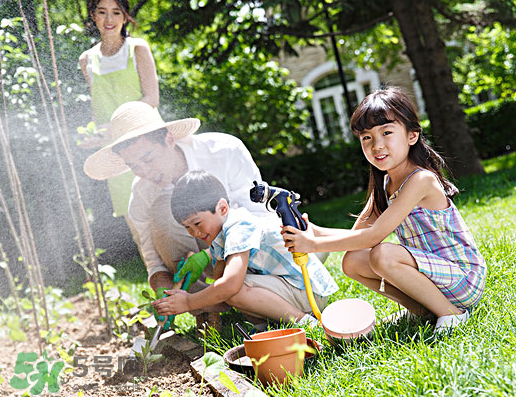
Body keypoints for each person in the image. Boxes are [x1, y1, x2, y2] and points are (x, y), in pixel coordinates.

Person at [281, 87, 487, 334]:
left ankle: (451, 314)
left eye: (386, 132)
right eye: (366, 137)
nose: (377, 145)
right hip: (435, 276)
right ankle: (421, 309)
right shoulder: (385, 184)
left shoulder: (421, 180)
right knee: (353, 262)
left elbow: (373, 236)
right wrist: (312, 231)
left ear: (412, 135)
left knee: (383, 255)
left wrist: (312, 245)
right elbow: (356, 241)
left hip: (463, 278)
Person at [83, 101, 280, 326]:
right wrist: (163, 292)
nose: (144, 171)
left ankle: (240, 298)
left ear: (169, 139)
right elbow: (153, 261)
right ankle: (206, 307)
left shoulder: (224, 151)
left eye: (148, 158)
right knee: (161, 212)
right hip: (215, 270)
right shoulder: (141, 196)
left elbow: (259, 215)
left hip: (257, 254)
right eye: (134, 165)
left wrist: (210, 254)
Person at [151, 170, 338, 325]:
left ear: (222, 208)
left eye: (197, 223)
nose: (194, 233)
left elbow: (230, 285)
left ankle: (305, 321)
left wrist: (189, 301)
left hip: (308, 291)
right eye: (187, 228)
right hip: (292, 287)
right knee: (226, 286)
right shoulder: (219, 236)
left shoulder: (238, 226)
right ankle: (264, 327)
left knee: (235, 289)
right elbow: (220, 280)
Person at [79, 0, 159, 218]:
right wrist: (96, 135)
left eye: (116, 13)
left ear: (125, 17)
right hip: (118, 154)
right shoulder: (86, 60)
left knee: (169, 214)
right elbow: (99, 109)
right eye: (102, 12)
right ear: (93, 15)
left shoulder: (137, 48)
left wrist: (116, 127)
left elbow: (152, 98)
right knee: (137, 224)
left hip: (150, 143)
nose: (109, 20)